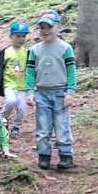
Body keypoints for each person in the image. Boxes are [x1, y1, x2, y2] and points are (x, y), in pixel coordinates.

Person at [26, 9, 77, 171]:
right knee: (43, 127)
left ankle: (66, 155)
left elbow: (71, 71)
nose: (45, 30)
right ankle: (44, 155)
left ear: (57, 27)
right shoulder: (35, 50)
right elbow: (30, 72)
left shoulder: (65, 48)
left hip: (61, 93)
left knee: (62, 126)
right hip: (41, 93)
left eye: (49, 27)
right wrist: (30, 92)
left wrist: (70, 92)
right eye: (42, 27)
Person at [0, 20, 31, 139]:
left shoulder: (28, 53)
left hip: (23, 86)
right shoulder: (5, 52)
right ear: (11, 36)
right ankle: (2, 120)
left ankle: (16, 127)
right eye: (18, 36)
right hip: (9, 84)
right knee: (11, 101)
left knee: (22, 108)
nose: (21, 39)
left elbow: (32, 68)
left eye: (23, 36)